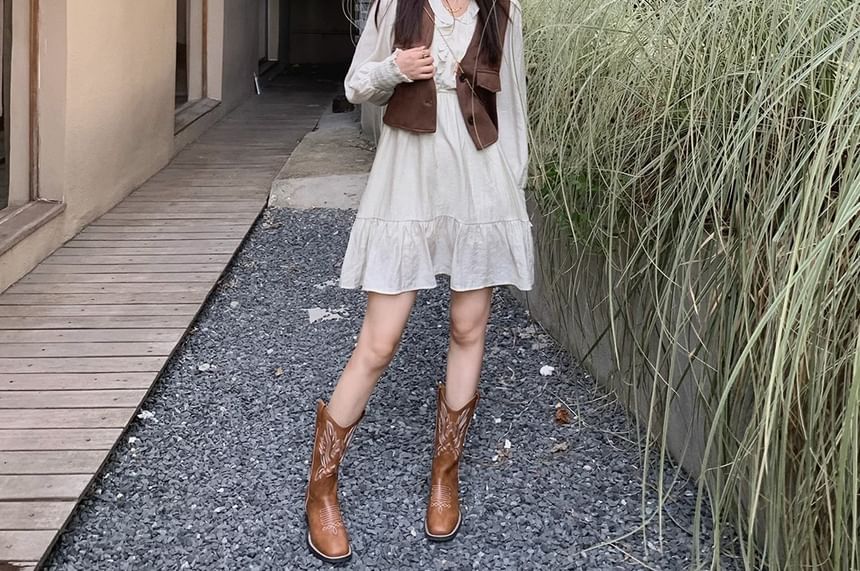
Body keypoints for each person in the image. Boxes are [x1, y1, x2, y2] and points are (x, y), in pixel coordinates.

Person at [303, 0, 533, 563]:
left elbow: (514, 106)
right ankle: (321, 488)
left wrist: (512, 191)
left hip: (480, 181)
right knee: (379, 342)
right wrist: (396, 68)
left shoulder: (503, 11)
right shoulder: (397, 5)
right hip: (407, 178)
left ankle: (445, 475)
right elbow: (357, 85)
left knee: (467, 327)